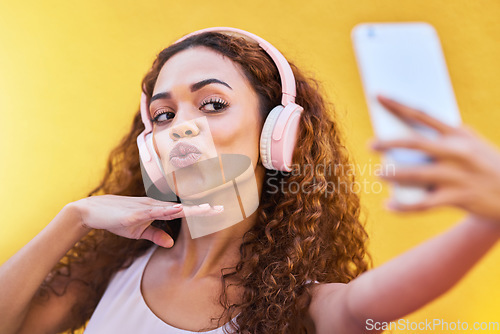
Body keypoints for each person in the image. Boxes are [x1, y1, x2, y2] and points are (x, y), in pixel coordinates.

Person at [1, 27, 500, 334]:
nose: (181, 126)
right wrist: (72, 219)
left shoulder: (299, 304)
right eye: (163, 114)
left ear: (277, 134)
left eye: (212, 104)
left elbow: (361, 309)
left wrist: (489, 218)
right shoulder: (114, 270)